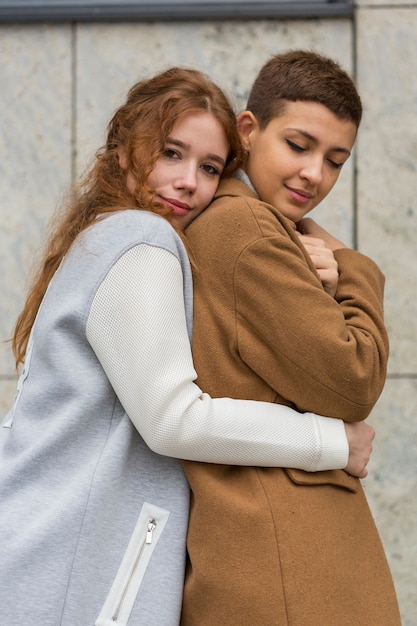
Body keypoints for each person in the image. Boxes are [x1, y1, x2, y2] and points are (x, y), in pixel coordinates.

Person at [0, 65, 375, 626]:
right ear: (124, 151)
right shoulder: (141, 239)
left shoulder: (101, 239)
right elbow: (174, 419)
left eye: (208, 167)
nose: (187, 182)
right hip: (71, 570)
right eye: (170, 154)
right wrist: (334, 443)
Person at [182, 51, 401, 625]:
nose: (315, 175)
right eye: (299, 146)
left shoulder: (250, 225)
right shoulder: (247, 226)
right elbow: (353, 380)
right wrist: (352, 267)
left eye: (335, 160)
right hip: (287, 560)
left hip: (271, 547)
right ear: (248, 131)